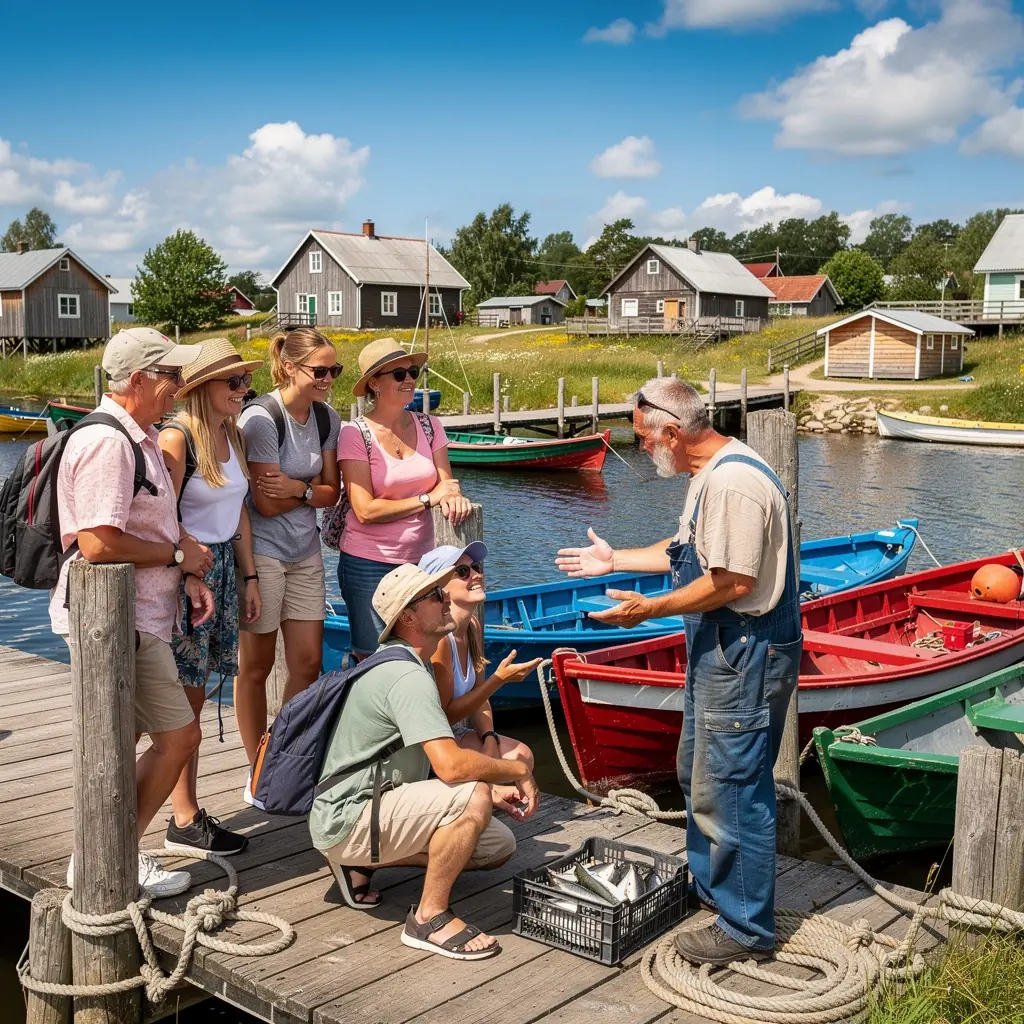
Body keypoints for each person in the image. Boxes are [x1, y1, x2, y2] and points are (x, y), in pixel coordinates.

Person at [555, 376, 803, 966]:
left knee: (734, 788)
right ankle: (714, 890)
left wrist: (646, 609)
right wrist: (614, 560)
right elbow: (682, 548)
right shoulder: (707, 475)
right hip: (720, 648)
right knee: (699, 774)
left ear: (674, 431)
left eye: (643, 438)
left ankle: (746, 930)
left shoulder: (735, 483)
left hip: (744, 649)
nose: (639, 448)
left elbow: (731, 582)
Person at [51, 327, 216, 898]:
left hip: (142, 619)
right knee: (176, 737)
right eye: (171, 376)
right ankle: (109, 858)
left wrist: (186, 567)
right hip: (116, 625)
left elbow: (144, 525)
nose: (179, 386)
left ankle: (108, 855)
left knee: (132, 739)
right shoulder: (107, 443)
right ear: (140, 380)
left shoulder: (139, 436)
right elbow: (98, 543)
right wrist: (175, 554)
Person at [311, 562, 540, 961]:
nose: (446, 598)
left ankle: (359, 865)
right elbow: (451, 767)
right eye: (435, 595)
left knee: (496, 846)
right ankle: (429, 918)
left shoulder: (410, 663)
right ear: (409, 617)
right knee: (470, 796)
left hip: (367, 808)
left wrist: (491, 786)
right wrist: (516, 771)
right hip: (347, 817)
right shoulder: (407, 675)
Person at [159, 339, 264, 855]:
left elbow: (238, 511)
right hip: (186, 576)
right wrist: (187, 567)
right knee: (185, 698)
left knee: (196, 694)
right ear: (202, 389)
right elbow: (159, 516)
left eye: (246, 382)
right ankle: (182, 815)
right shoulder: (178, 440)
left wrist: (250, 578)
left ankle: (185, 812)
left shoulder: (233, 435)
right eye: (235, 382)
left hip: (222, 569)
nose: (244, 390)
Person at [236, 328, 342, 773]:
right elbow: (262, 501)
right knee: (257, 666)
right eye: (319, 370)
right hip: (261, 552)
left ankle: (286, 757)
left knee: (308, 662)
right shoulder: (261, 420)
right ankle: (257, 766)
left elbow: (332, 492)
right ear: (289, 368)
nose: (328, 379)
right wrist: (309, 492)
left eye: (334, 370)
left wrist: (299, 489)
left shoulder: (326, 419)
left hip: (306, 552)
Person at [337, 338, 472, 657]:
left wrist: (453, 495)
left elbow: (447, 482)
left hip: (420, 564)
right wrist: (429, 499)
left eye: (413, 371)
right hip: (367, 563)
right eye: (398, 374)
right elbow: (365, 509)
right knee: (372, 657)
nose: (409, 379)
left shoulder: (430, 426)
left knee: (420, 654)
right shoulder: (355, 434)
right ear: (374, 383)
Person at [417, 542, 541, 812]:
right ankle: (479, 795)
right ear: (441, 588)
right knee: (500, 773)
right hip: (431, 745)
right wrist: (499, 680)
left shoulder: (472, 625)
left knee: (523, 757)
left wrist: (489, 739)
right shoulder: (441, 641)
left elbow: (479, 697)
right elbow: (444, 716)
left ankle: (484, 792)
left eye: (476, 567)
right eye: (462, 571)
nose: (476, 575)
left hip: (454, 734)